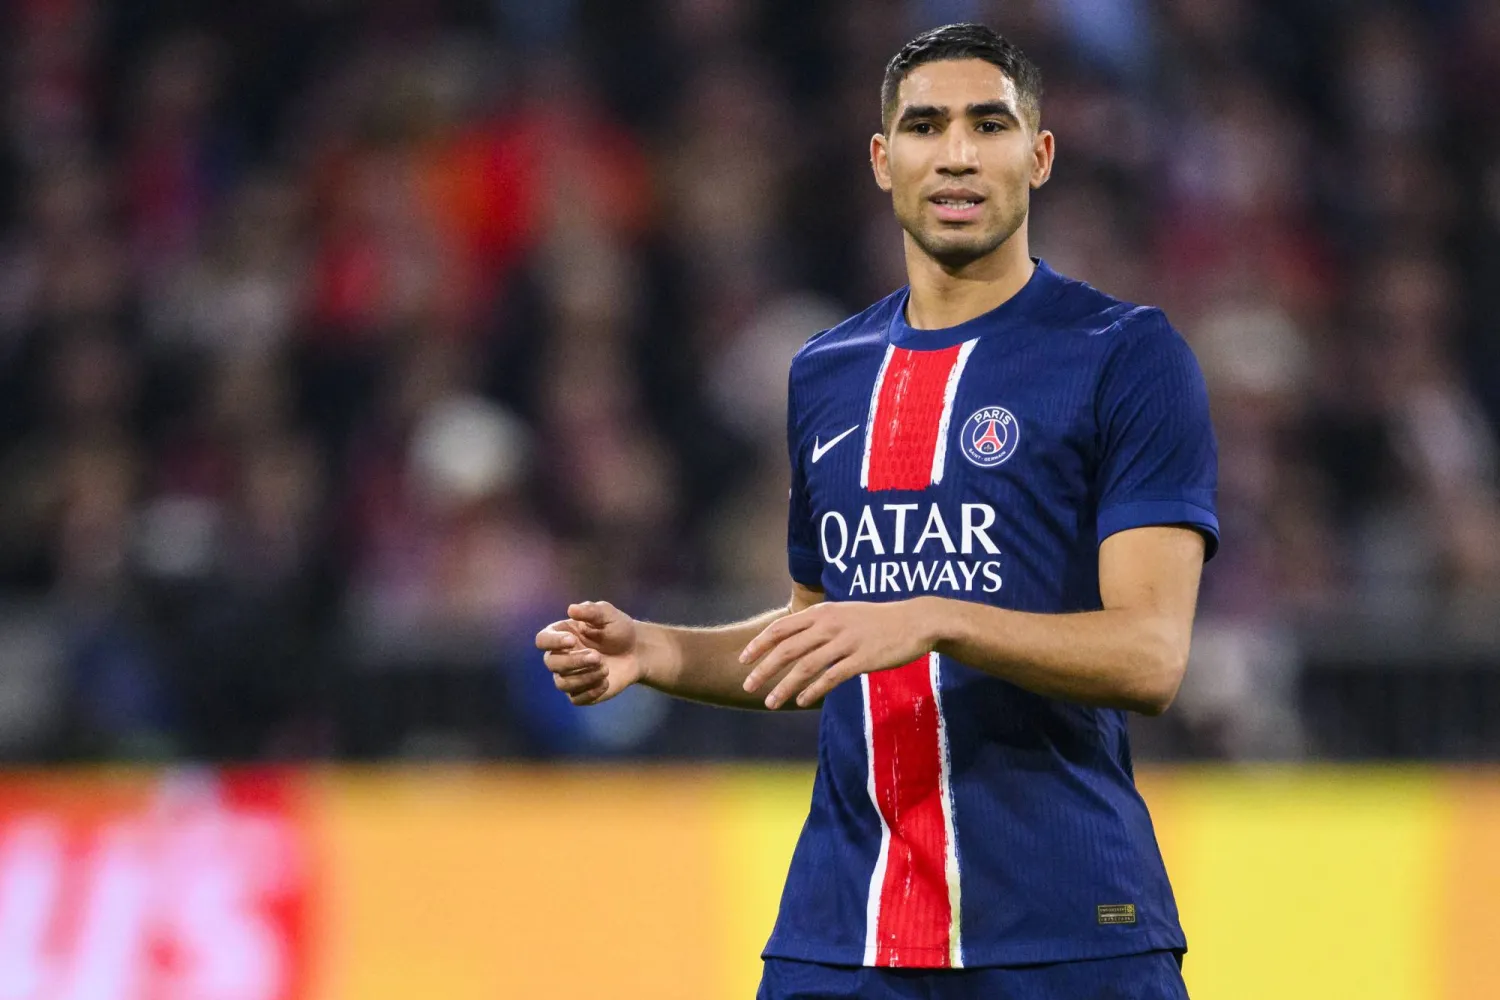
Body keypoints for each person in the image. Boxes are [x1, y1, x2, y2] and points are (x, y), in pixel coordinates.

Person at [535, 22, 1216, 1000]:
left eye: (989, 123)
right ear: (881, 159)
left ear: (1041, 153)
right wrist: (656, 652)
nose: (956, 152)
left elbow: (1150, 655)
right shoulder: (825, 374)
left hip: (1065, 926)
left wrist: (935, 617)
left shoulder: (1125, 354)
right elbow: (823, 629)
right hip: (843, 929)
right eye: (925, 125)